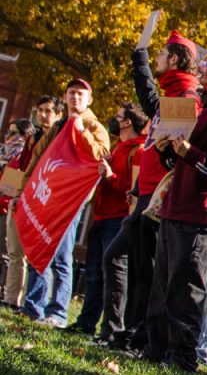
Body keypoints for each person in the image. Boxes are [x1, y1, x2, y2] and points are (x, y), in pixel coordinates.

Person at [143, 51, 207, 372]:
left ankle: (183, 356)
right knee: (163, 283)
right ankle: (155, 349)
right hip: (175, 205)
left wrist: (189, 152)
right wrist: (167, 152)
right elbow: (179, 161)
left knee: (187, 288)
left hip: (202, 214)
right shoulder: (196, 111)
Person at [125, 30, 201, 352]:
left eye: (159, 55)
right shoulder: (171, 96)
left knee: (149, 269)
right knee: (139, 265)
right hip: (146, 190)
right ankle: (135, 334)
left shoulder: (188, 98)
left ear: (173, 59)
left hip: (161, 194)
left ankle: (146, 338)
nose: (157, 60)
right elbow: (149, 99)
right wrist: (139, 58)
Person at [21, 79, 109, 327]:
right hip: (46, 196)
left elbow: (102, 157)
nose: (75, 98)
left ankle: (58, 312)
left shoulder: (94, 127)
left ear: (89, 99)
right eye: (71, 93)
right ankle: (33, 306)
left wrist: (81, 132)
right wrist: (22, 191)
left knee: (61, 256)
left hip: (70, 202)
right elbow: (37, 159)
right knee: (39, 248)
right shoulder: (58, 126)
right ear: (66, 96)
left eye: (81, 94)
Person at [67, 103, 147, 337]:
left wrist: (110, 175)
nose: (114, 119)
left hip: (118, 219)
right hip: (101, 217)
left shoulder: (138, 151)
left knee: (113, 274)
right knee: (94, 274)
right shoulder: (118, 149)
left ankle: (110, 330)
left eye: (118, 116)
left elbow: (134, 189)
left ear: (127, 122)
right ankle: (86, 323)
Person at [3, 97, 62, 308]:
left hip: (43, 202)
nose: (43, 115)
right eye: (40, 110)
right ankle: (11, 300)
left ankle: (35, 304)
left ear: (58, 115)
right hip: (21, 199)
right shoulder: (32, 139)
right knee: (14, 253)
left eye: (48, 111)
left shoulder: (60, 140)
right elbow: (24, 168)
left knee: (37, 257)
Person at [0, 118, 35, 301]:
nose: (9, 137)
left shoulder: (25, 157)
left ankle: (7, 295)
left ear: (25, 136)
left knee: (7, 254)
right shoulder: (5, 155)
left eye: (14, 133)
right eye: (8, 132)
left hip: (9, 209)